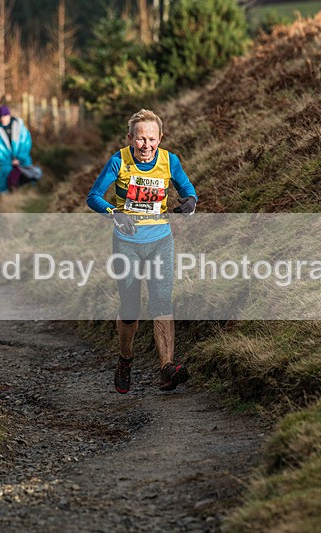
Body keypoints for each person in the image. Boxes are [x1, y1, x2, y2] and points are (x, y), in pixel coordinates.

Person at [86, 109, 198, 394]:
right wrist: (114, 213)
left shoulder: (169, 160)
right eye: (140, 139)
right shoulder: (118, 161)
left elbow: (188, 190)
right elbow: (94, 197)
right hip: (127, 244)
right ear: (130, 139)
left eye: (152, 139)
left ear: (160, 138)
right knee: (131, 309)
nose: (146, 146)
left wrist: (190, 203)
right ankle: (126, 359)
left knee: (162, 302)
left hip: (161, 240)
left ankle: (167, 367)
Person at [0, 105, 42, 194]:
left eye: (5, 116)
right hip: (2, 163)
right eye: (1, 117)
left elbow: (25, 143)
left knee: (32, 174)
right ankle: (7, 200)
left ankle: (28, 194)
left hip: (21, 161)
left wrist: (19, 158)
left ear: (9, 115)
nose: (3, 119)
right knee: (1, 181)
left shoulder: (19, 127)